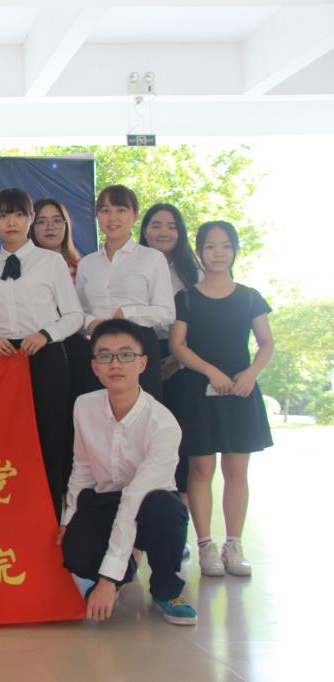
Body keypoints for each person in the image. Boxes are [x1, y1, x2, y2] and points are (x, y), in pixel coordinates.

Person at [59, 318, 197, 626]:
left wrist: (106, 579)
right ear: (94, 366)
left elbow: (134, 499)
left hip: (149, 505)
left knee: (166, 509)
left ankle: (167, 589)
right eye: (105, 356)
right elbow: (82, 467)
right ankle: (125, 571)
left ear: (142, 363)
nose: (115, 364)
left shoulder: (163, 424)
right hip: (107, 499)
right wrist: (69, 519)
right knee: (75, 551)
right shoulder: (84, 406)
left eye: (125, 354)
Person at [169, 221, 273, 578]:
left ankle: (234, 544)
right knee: (201, 470)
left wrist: (251, 374)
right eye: (210, 246)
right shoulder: (186, 298)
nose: (218, 253)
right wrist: (210, 371)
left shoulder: (250, 296)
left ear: (235, 251)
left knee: (237, 470)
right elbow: (178, 345)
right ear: (199, 252)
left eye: (226, 246)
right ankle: (205, 545)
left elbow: (266, 343)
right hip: (199, 392)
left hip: (241, 391)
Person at [0, 189, 82, 520]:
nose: (11, 222)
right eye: (2, 215)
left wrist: (46, 334)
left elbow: (74, 315)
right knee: (7, 439)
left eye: (18, 214)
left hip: (46, 356)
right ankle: (12, 518)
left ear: (30, 219)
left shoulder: (50, 262)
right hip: (3, 362)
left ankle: (51, 517)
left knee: (50, 438)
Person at [76, 185, 174, 401]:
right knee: (97, 412)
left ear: (135, 215)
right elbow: (77, 312)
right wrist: (90, 322)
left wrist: (127, 314)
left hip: (139, 347)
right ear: (97, 216)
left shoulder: (152, 258)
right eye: (105, 210)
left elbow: (167, 313)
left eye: (121, 210)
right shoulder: (87, 263)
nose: (113, 218)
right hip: (98, 349)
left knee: (142, 414)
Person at [139, 203, 201, 499]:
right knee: (145, 434)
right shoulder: (132, 265)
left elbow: (202, 323)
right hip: (141, 352)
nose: (163, 232)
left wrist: (178, 359)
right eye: (156, 225)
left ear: (181, 233)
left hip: (185, 357)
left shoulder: (194, 274)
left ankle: (180, 510)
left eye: (171, 226)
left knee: (180, 435)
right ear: (144, 231)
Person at [31, 197, 89, 498]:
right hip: (40, 354)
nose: (49, 227)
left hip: (78, 351)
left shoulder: (85, 266)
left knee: (77, 428)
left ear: (67, 225)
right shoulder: (20, 266)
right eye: (41, 221)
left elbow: (85, 312)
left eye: (56, 221)